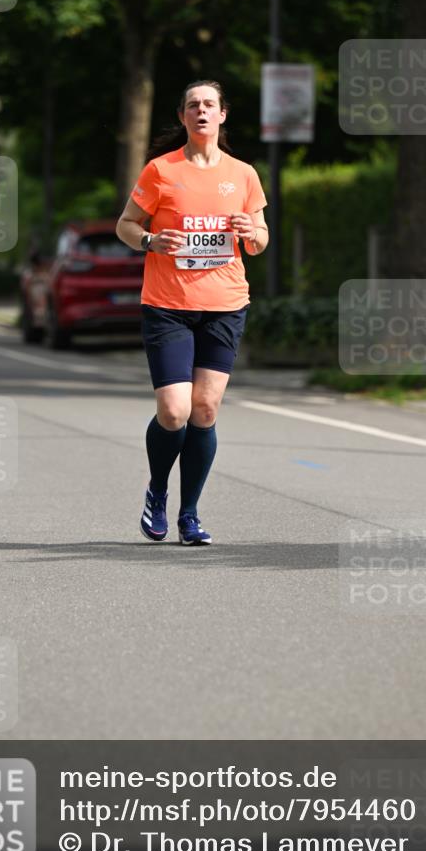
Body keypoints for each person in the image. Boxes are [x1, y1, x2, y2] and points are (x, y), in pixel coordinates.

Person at [116, 80, 268, 545]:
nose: (201, 111)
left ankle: (189, 515)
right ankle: (157, 491)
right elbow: (126, 225)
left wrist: (251, 233)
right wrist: (150, 240)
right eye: (192, 105)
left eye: (209, 105)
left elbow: (260, 240)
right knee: (174, 410)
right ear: (183, 117)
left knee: (204, 408)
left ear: (222, 115)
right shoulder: (161, 170)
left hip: (224, 305)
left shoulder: (243, 175)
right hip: (168, 305)